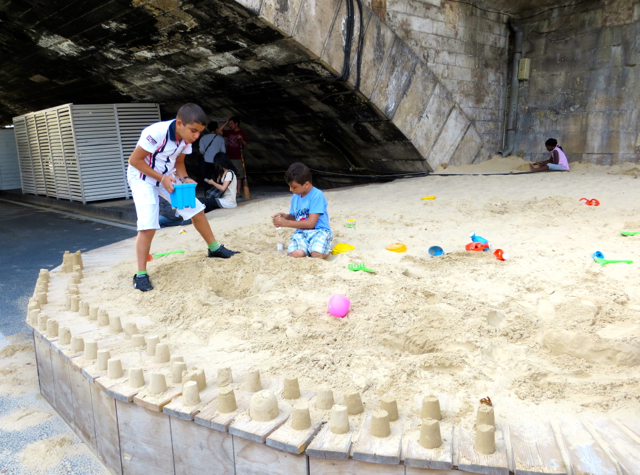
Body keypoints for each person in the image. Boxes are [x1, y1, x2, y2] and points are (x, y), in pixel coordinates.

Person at [127, 103, 239, 292]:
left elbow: (179, 162)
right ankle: (140, 275)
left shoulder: (186, 138)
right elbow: (134, 160)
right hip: (142, 178)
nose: (196, 137)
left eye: (199, 133)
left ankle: (214, 248)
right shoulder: (156, 132)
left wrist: (185, 178)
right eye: (193, 131)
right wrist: (162, 178)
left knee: (196, 209)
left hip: (168, 176)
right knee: (148, 225)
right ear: (179, 123)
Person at [272, 162, 332, 259]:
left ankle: (321, 248)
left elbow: (310, 223)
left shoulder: (317, 195)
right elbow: (296, 217)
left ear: (306, 184)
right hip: (301, 233)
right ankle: (307, 249)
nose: (291, 189)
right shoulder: (295, 197)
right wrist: (285, 217)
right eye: (290, 186)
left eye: (294, 187)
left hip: (319, 231)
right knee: (296, 254)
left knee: (316, 254)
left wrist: (286, 223)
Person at [216, 117, 248, 195]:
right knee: (228, 174)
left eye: (231, 123)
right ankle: (229, 191)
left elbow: (245, 144)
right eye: (229, 124)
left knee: (239, 175)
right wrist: (226, 123)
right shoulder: (229, 132)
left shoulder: (241, 133)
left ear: (236, 124)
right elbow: (218, 131)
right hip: (229, 157)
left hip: (237, 157)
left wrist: (241, 139)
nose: (230, 125)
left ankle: (238, 192)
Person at [199, 121, 226, 192]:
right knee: (218, 177)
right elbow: (223, 151)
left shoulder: (203, 138)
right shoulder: (220, 139)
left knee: (207, 177)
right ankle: (217, 192)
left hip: (207, 161)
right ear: (216, 129)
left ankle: (207, 192)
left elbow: (201, 150)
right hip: (217, 162)